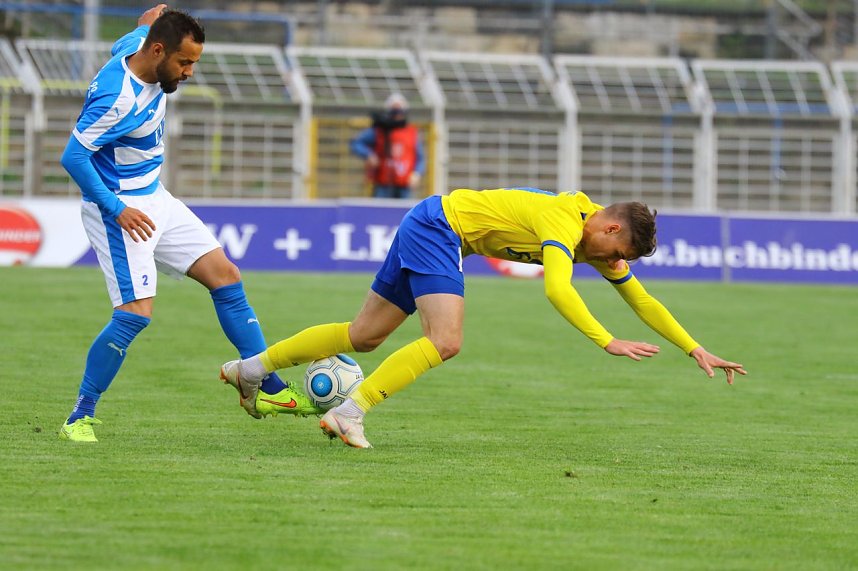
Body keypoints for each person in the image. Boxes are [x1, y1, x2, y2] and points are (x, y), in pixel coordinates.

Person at [220, 187, 747, 449]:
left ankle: (251, 369)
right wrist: (604, 339)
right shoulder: (562, 223)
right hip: (439, 229)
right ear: (609, 230)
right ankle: (350, 411)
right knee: (445, 340)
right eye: (618, 252)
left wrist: (693, 347)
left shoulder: (595, 239)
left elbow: (642, 299)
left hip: (429, 221)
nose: (616, 264)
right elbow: (557, 289)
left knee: (363, 337)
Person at [58, 5, 316, 442]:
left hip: (154, 197)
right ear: (158, 51)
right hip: (120, 211)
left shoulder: (138, 45)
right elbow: (73, 156)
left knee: (226, 276)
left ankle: (264, 385)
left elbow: (151, 15)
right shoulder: (117, 97)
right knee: (134, 316)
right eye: (185, 62)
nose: (191, 72)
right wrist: (116, 209)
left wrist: (167, 13)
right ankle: (79, 416)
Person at [349, 93, 425, 199]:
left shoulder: (412, 133)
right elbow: (356, 143)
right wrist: (369, 155)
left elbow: (420, 158)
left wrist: (417, 174)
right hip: (382, 183)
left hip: (404, 184)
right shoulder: (379, 131)